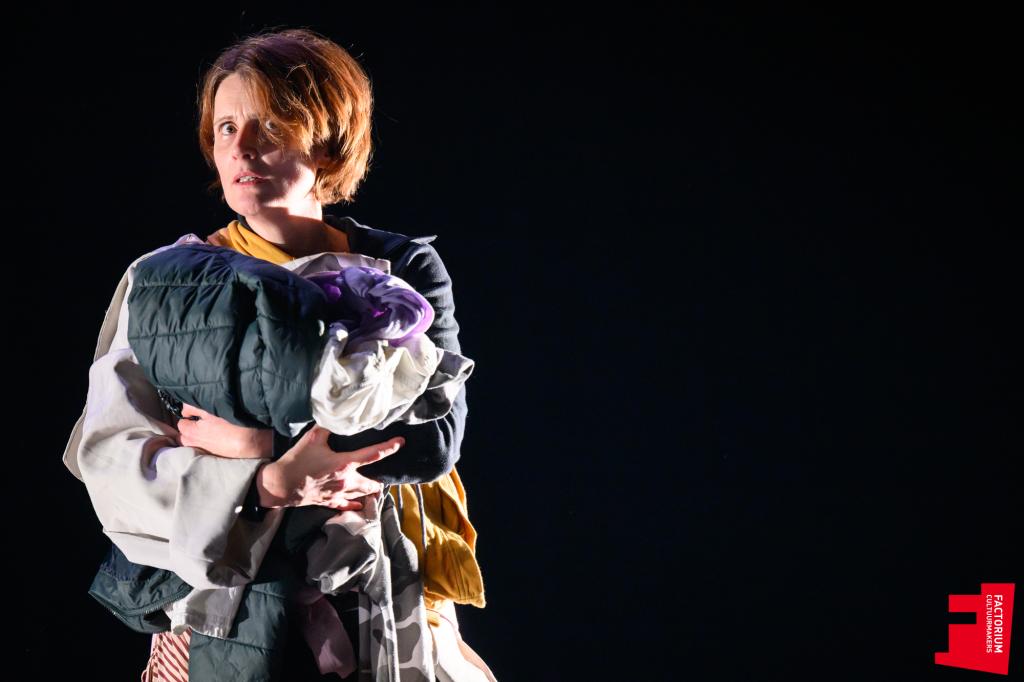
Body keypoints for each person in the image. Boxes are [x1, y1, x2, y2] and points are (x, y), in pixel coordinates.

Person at [63, 27, 493, 681]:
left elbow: (433, 441)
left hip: (373, 589)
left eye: (269, 125)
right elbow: (112, 454)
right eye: (226, 128)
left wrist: (255, 443)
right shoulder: (168, 282)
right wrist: (268, 482)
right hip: (223, 602)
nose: (242, 147)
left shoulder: (401, 269)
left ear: (326, 138)